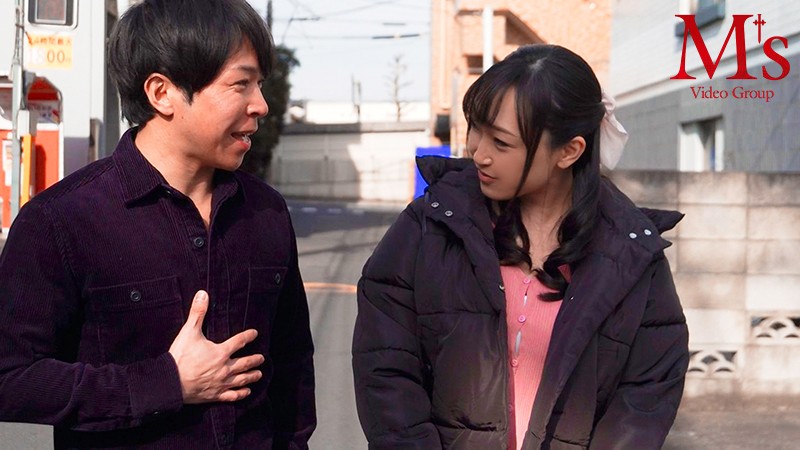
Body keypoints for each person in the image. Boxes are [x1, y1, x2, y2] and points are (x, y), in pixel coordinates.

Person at [0, 0, 315, 448]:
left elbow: (292, 366)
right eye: (240, 83)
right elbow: (11, 378)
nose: (260, 105)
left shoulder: (266, 212)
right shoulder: (62, 221)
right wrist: (167, 382)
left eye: (260, 84)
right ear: (161, 93)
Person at [352, 44, 689, 449]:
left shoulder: (630, 254)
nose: (479, 153)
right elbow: (385, 367)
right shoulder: (429, 226)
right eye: (476, 129)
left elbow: (646, 396)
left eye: (501, 142)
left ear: (569, 151)